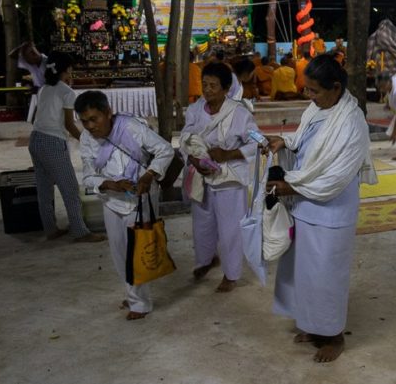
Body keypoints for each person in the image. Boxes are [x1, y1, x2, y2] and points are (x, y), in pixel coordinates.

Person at [265, 54, 377, 363]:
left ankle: (334, 336)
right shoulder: (317, 109)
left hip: (331, 210)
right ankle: (314, 326)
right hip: (305, 205)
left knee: (327, 275)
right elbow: (304, 143)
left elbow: (337, 177)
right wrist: (284, 143)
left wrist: (291, 186)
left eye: (314, 90)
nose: (309, 97)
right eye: (308, 90)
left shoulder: (353, 123)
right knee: (306, 273)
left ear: (336, 87)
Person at [75, 90, 174, 320]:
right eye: (84, 121)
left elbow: (165, 150)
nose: (90, 126)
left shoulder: (131, 127)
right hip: (111, 200)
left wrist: (148, 176)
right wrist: (110, 183)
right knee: (119, 252)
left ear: (108, 113)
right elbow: (88, 176)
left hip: (140, 198)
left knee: (135, 250)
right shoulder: (87, 139)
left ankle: (140, 303)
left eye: (94, 119)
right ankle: (133, 292)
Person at [180, 62, 259, 293]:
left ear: (226, 89)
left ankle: (231, 274)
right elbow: (186, 136)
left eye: (214, 86)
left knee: (230, 228)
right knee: (202, 224)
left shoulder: (241, 113)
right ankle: (206, 260)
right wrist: (194, 159)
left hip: (229, 178)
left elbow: (258, 142)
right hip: (201, 176)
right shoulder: (195, 110)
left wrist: (229, 154)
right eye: (205, 85)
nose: (208, 90)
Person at [28, 52, 104, 243]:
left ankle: (50, 229)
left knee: (44, 189)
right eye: (71, 68)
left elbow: (37, 116)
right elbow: (70, 125)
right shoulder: (66, 92)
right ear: (66, 69)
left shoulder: (44, 88)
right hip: (52, 142)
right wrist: (87, 142)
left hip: (35, 140)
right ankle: (80, 232)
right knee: (70, 188)